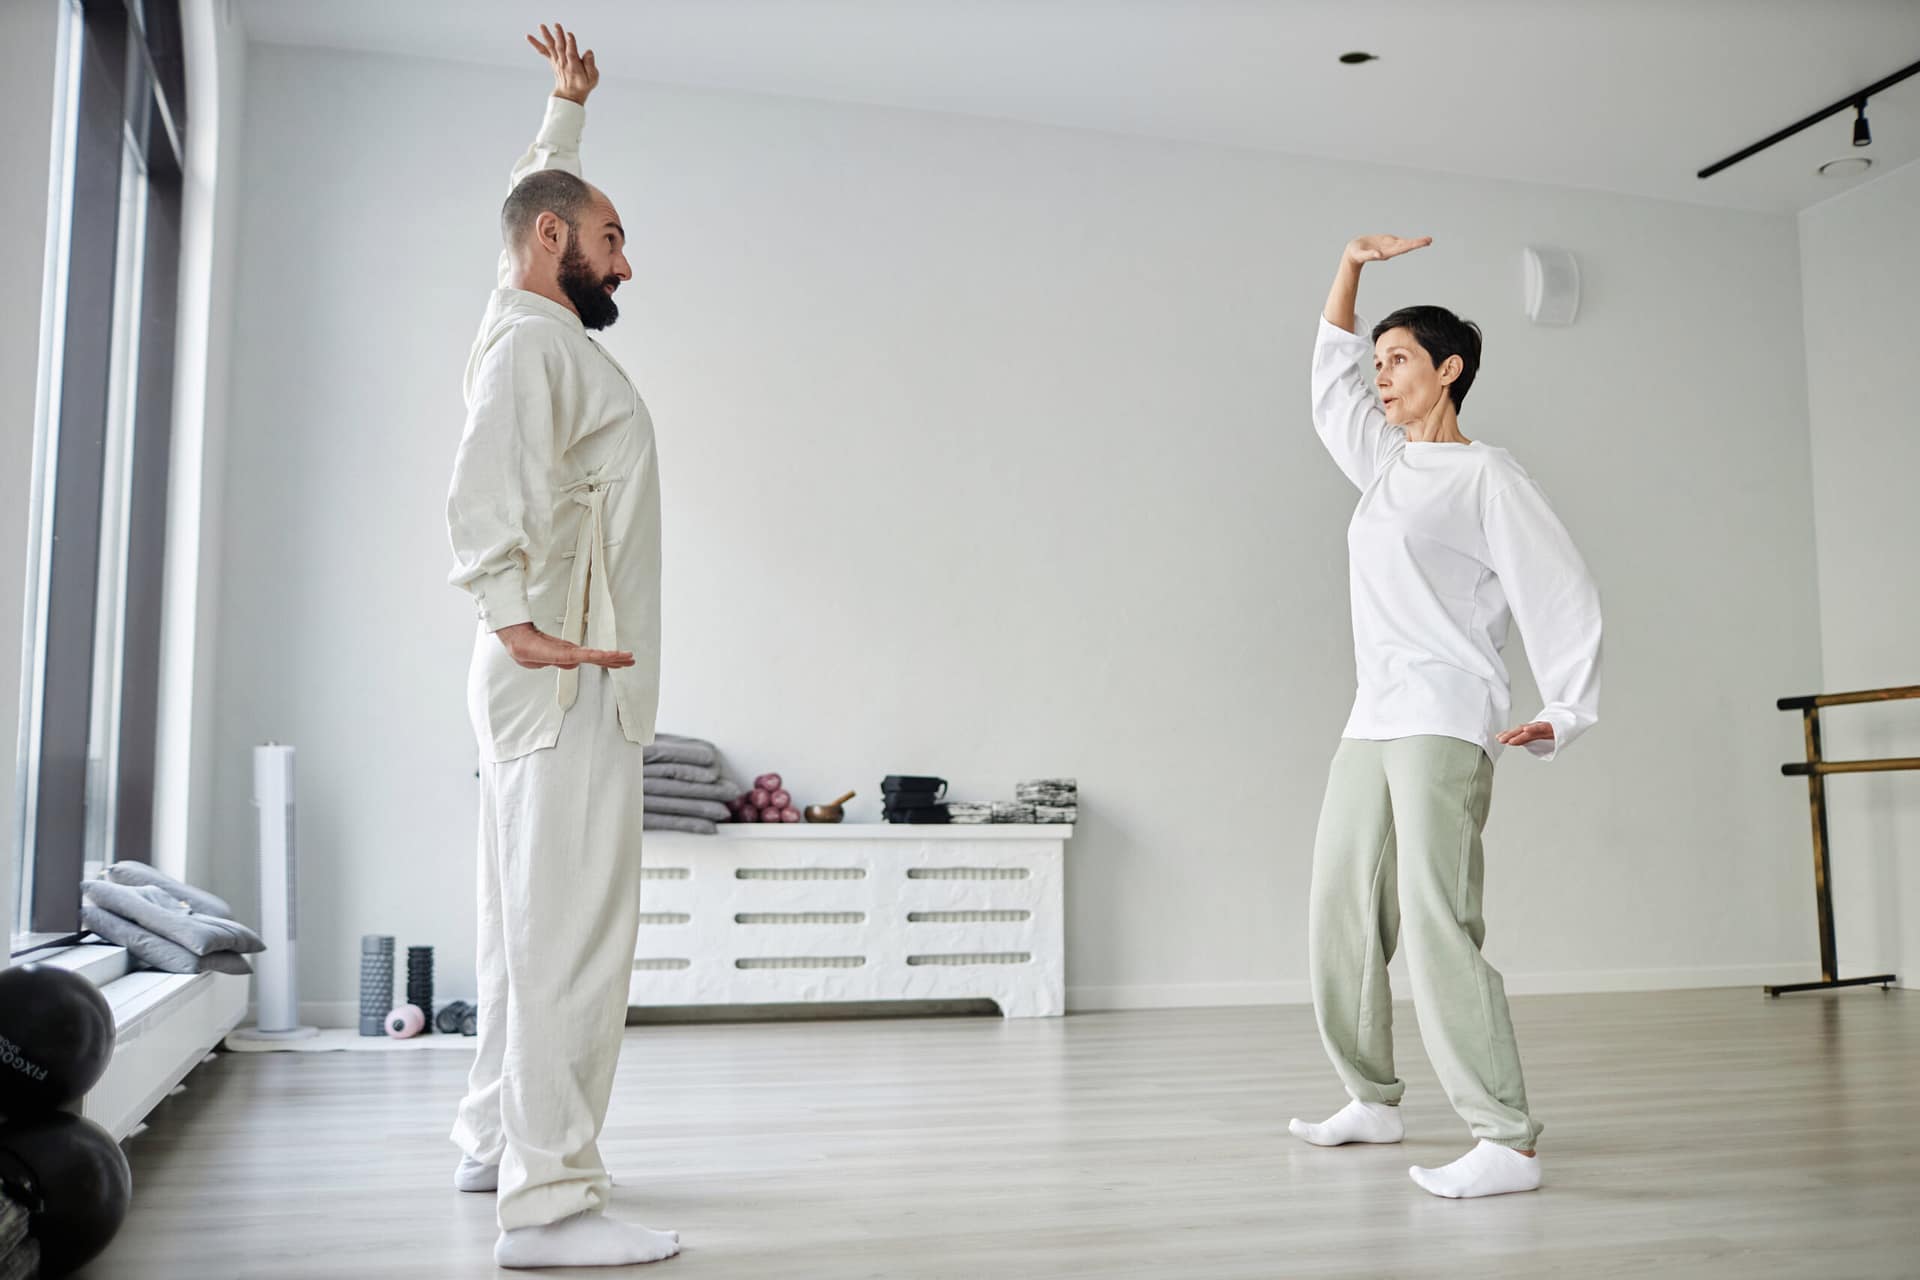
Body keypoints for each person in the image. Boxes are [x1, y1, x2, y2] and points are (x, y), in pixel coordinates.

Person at [1288, 233, 1603, 1199]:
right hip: (1371, 716)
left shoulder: (1487, 477)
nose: (1381, 376)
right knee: (1340, 907)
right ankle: (1373, 1097)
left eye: (1400, 360)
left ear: (1449, 370)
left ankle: (1504, 1138)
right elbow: (1328, 386)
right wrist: (1348, 270)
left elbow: (1559, 588)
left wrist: (1565, 709)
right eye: (1378, 361)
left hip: (1446, 713)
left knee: (1436, 920)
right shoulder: (1383, 464)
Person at [443, 24, 679, 1267]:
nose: (624, 262)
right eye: (609, 239)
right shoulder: (536, 345)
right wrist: (513, 612)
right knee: (572, 942)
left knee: (517, 924)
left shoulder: (517, 313)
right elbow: (483, 476)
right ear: (556, 246)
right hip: (560, 675)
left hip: (541, 674)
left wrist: (564, 113)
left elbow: (525, 204)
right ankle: (550, 1206)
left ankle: (494, 1136)